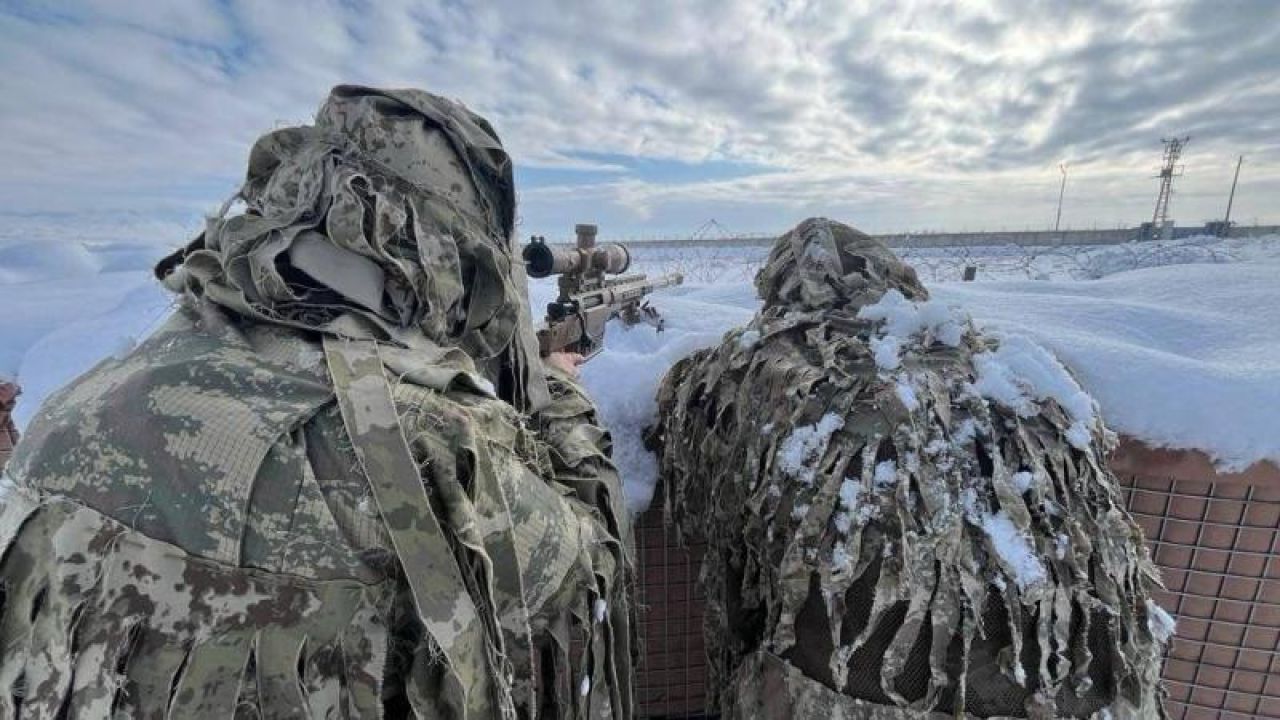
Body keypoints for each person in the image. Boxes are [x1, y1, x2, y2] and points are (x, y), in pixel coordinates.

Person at [0, 85, 634, 719]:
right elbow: (586, 567)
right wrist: (560, 390)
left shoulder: (79, 400)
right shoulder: (420, 442)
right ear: (436, 253)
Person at [652, 218, 1169, 718]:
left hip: (868, 696)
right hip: (1102, 688)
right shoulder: (1008, 367)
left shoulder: (765, 366)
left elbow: (696, 480)